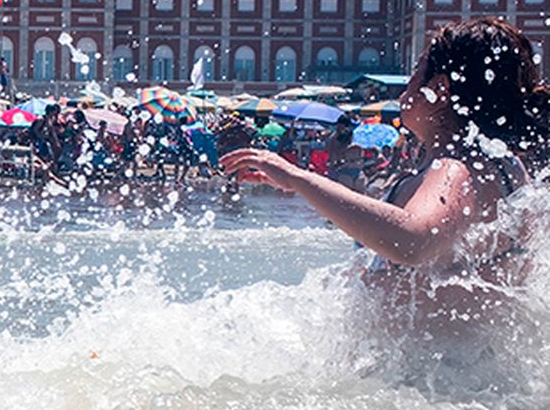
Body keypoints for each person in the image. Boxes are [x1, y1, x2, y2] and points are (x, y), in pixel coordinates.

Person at [220, 18, 548, 325]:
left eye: (416, 74)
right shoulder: (502, 166)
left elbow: (412, 241)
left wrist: (299, 178)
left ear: (439, 90)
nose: (406, 86)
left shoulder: (454, 169)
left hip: (424, 376)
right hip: (460, 370)